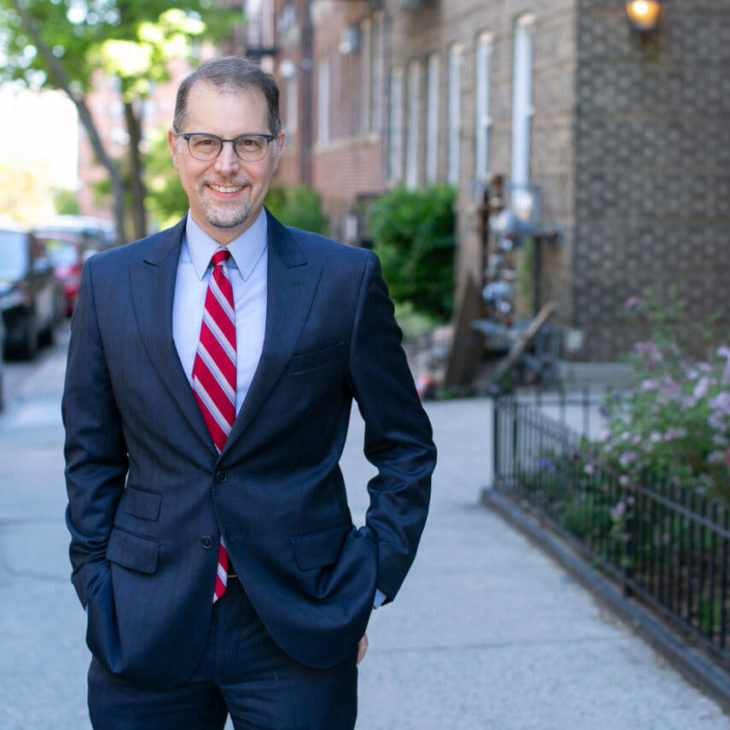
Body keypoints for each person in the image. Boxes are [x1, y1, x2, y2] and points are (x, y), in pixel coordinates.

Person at [62, 55, 436, 729]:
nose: (225, 164)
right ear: (177, 149)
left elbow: (406, 446)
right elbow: (90, 455)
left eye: (248, 143)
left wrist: (366, 582)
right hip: (144, 623)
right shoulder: (109, 283)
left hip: (299, 621)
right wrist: (97, 585)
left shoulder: (343, 281)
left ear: (277, 150)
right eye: (206, 141)